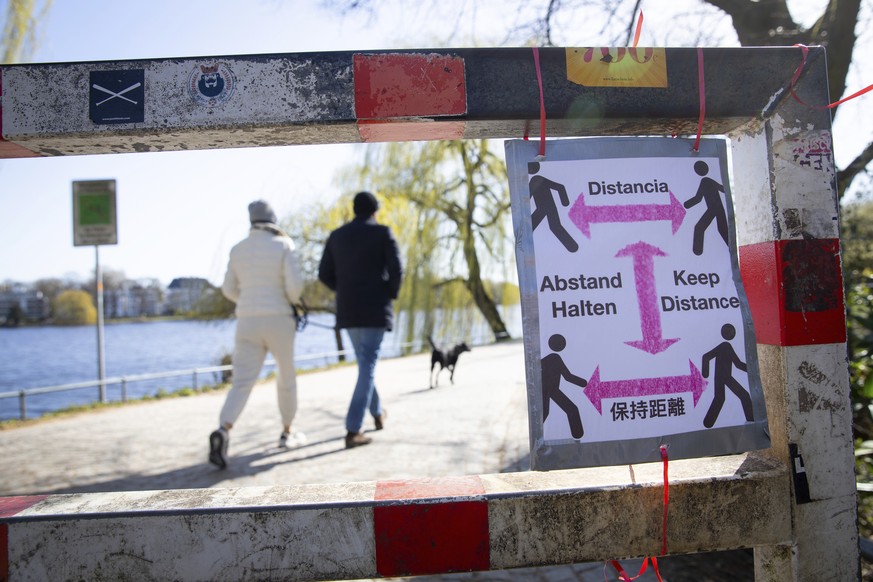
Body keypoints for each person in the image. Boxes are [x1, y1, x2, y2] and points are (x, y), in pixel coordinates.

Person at [208, 200, 306, 469]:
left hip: (247, 322)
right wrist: (285, 301)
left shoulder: (237, 249)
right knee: (286, 376)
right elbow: (295, 288)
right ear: (273, 219)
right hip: (279, 320)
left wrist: (247, 300)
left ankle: (223, 429)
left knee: (241, 381)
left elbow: (228, 288)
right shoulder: (284, 246)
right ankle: (287, 431)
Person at [318, 191, 403, 449]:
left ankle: (377, 414)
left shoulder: (337, 236)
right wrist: (389, 292)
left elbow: (323, 274)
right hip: (375, 309)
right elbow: (397, 269)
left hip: (349, 310)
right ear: (375, 211)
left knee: (366, 364)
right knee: (367, 365)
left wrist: (344, 290)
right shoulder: (382, 233)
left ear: (354, 210)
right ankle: (353, 430)